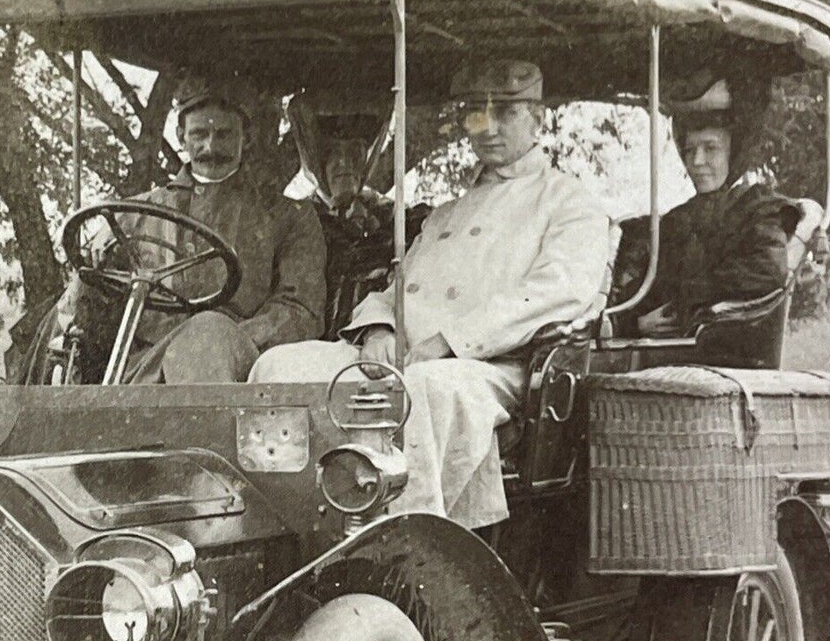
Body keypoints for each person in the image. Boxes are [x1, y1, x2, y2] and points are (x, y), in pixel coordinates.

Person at [251, 59, 612, 529]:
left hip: (489, 365)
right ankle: (282, 529)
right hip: (403, 354)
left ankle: (405, 548)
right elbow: (397, 285)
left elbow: (558, 293)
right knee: (279, 366)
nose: (488, 127)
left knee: (423, 391)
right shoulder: (447, 213)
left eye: (504, 112)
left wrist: (450, 341)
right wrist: (380, 325)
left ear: (537, 118)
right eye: (476, 114)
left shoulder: (568, 202)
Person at [117, 76, 326, 383]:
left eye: (225, 134)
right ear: (180, 136)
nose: (211, 147)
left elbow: (301, 307)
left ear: (247, 138)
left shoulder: (288, 217)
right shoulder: (135, 214)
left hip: (238, 367)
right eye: (199, 133)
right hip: (144, 371)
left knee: (207, 336)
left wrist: (230, 338)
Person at [616, 71, 791, 336]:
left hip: (728, 353)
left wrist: (684, 299)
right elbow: (644, 292)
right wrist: (637, 325)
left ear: (734, 153)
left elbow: (767, 272)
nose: (697, 162)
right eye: (690, 150)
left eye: (710, 149)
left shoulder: (760, 210)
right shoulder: (678, 220)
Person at [287, 95, 430, 333]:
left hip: (380, 341)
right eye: (332, 153)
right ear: (315, 161)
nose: (345, 163)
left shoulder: (390, 215)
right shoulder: (296, 218)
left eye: (355, 152)